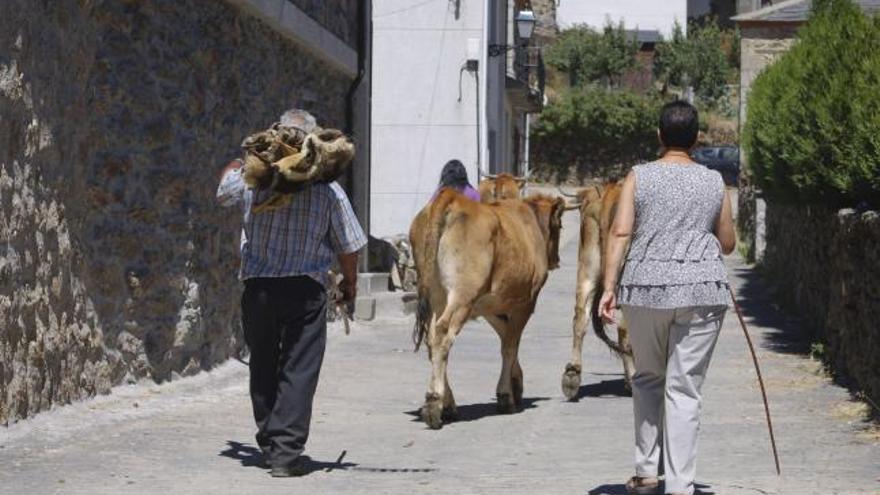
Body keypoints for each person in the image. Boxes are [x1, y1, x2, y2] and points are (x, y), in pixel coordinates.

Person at [216, 109, 368, 478]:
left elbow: (224, 193)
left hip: (259, 289)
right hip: (305, 291)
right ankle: (285, 452)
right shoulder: (327, 190)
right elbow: (349, 245)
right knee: (298, 369)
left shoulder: (254, 179)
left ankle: (271, 441)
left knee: (264, 363)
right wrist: (350, 283)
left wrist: (237, 161)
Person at [597, 100, 736, 495]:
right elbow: (727, 243)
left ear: (659, 135)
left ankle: (644, 473)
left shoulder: (638, 177)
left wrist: (609, 287)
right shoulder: (713, 181)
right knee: (685, 387)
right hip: (701, 292)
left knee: (647, 378)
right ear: (697, 139)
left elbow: (620, 233)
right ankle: (680, 486)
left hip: (644, 290)